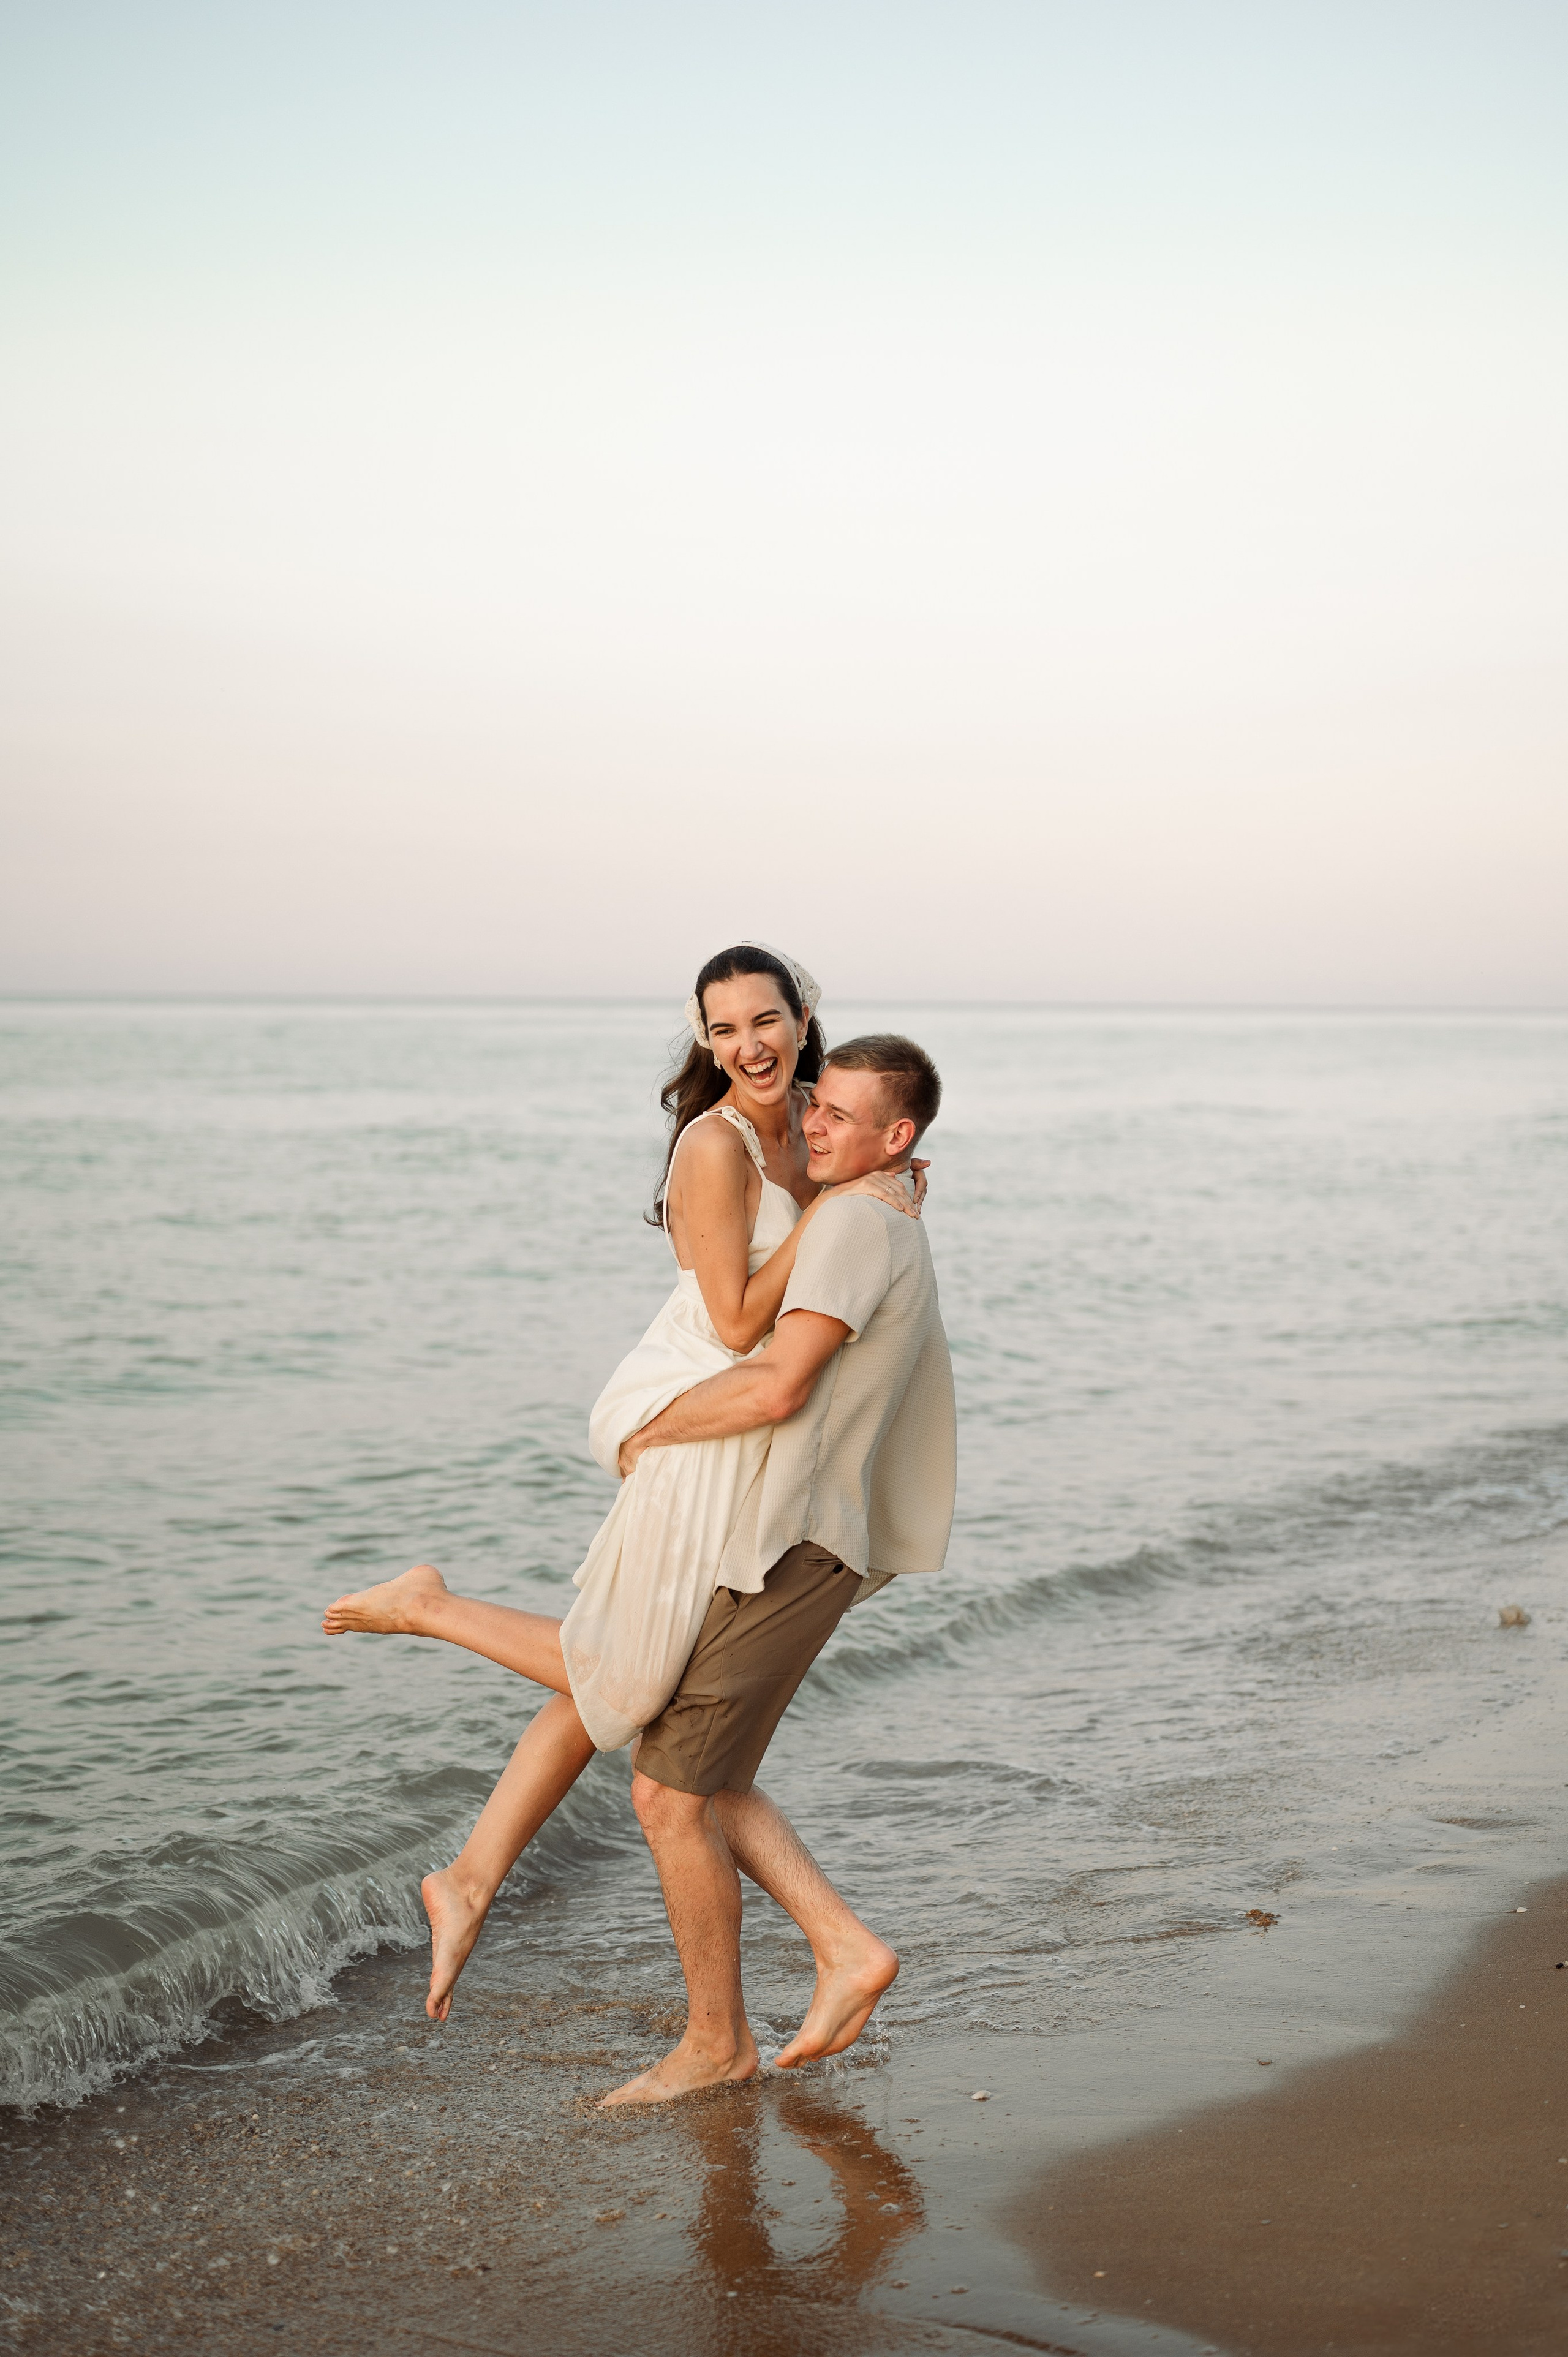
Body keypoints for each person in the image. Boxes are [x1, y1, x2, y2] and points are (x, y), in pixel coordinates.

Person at [321, 947, 924, 2043]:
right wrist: (843, 1206)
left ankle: (468, 1875)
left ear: (803, 1017)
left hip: (755, 1425)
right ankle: (428, 1611)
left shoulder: (825, 1123)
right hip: (698, 1408)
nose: (748, 1045)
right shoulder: (716, 1144)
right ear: (704, 1040)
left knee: (637, 1663)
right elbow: (740, 1323)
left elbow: (861, 1247)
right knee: (636, 1671)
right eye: (724, 1028)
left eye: (767, 1019)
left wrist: (854, 1185)